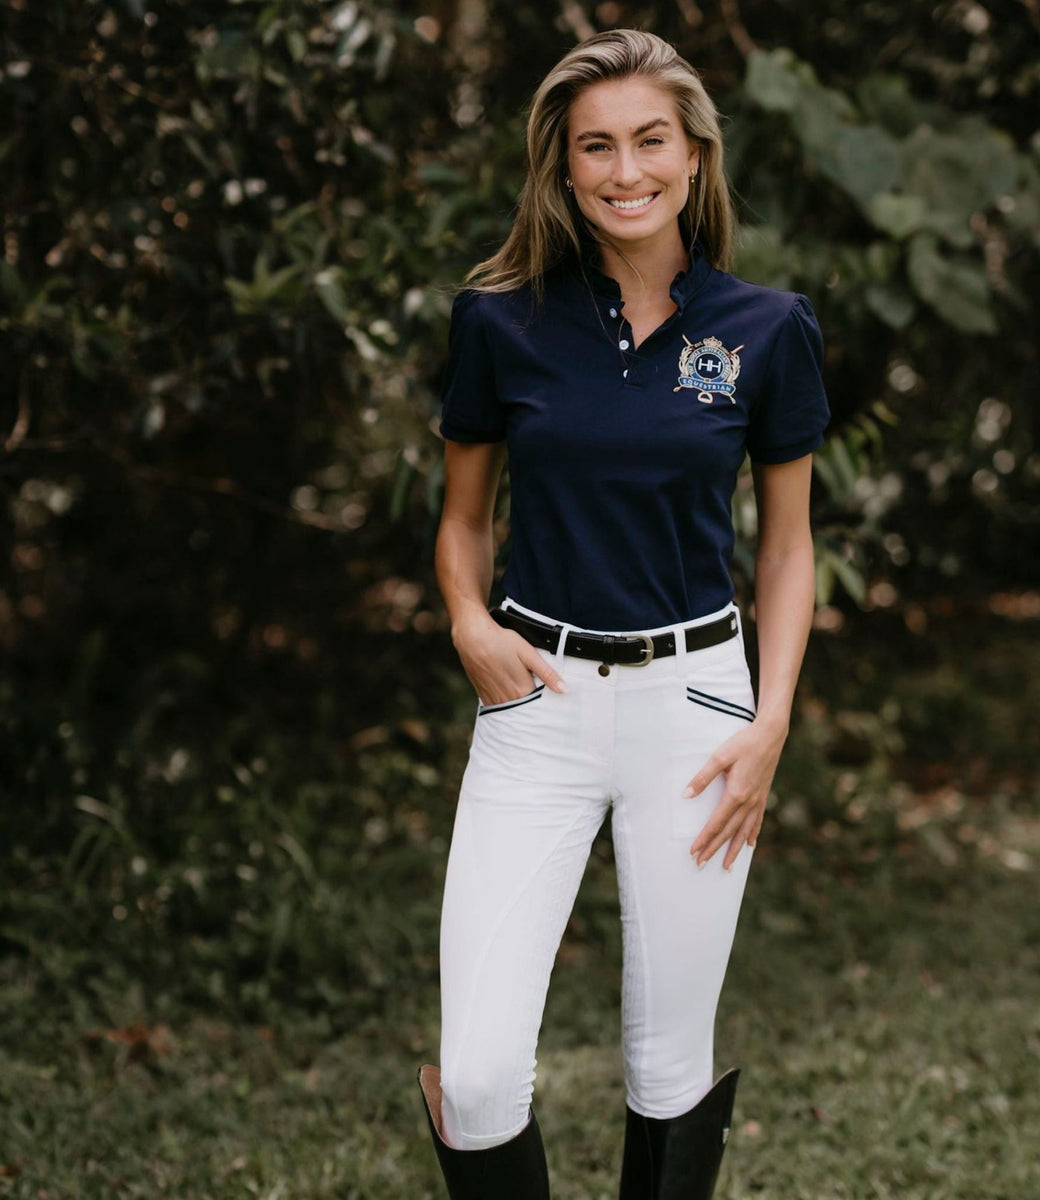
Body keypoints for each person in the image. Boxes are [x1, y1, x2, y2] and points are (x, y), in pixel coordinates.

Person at [417, 27, 830, 1200]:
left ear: (695, 157)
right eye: (595, 145)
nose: (624, 168)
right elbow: (461, 519)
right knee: (484, 1076)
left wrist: (770, 726)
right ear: (563, 165)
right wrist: (467, 621)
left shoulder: (767, 328)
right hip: (533, 701)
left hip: (697, 710)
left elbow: (790, 549)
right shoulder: (501, 320)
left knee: (668, 1069)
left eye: (651, 139)